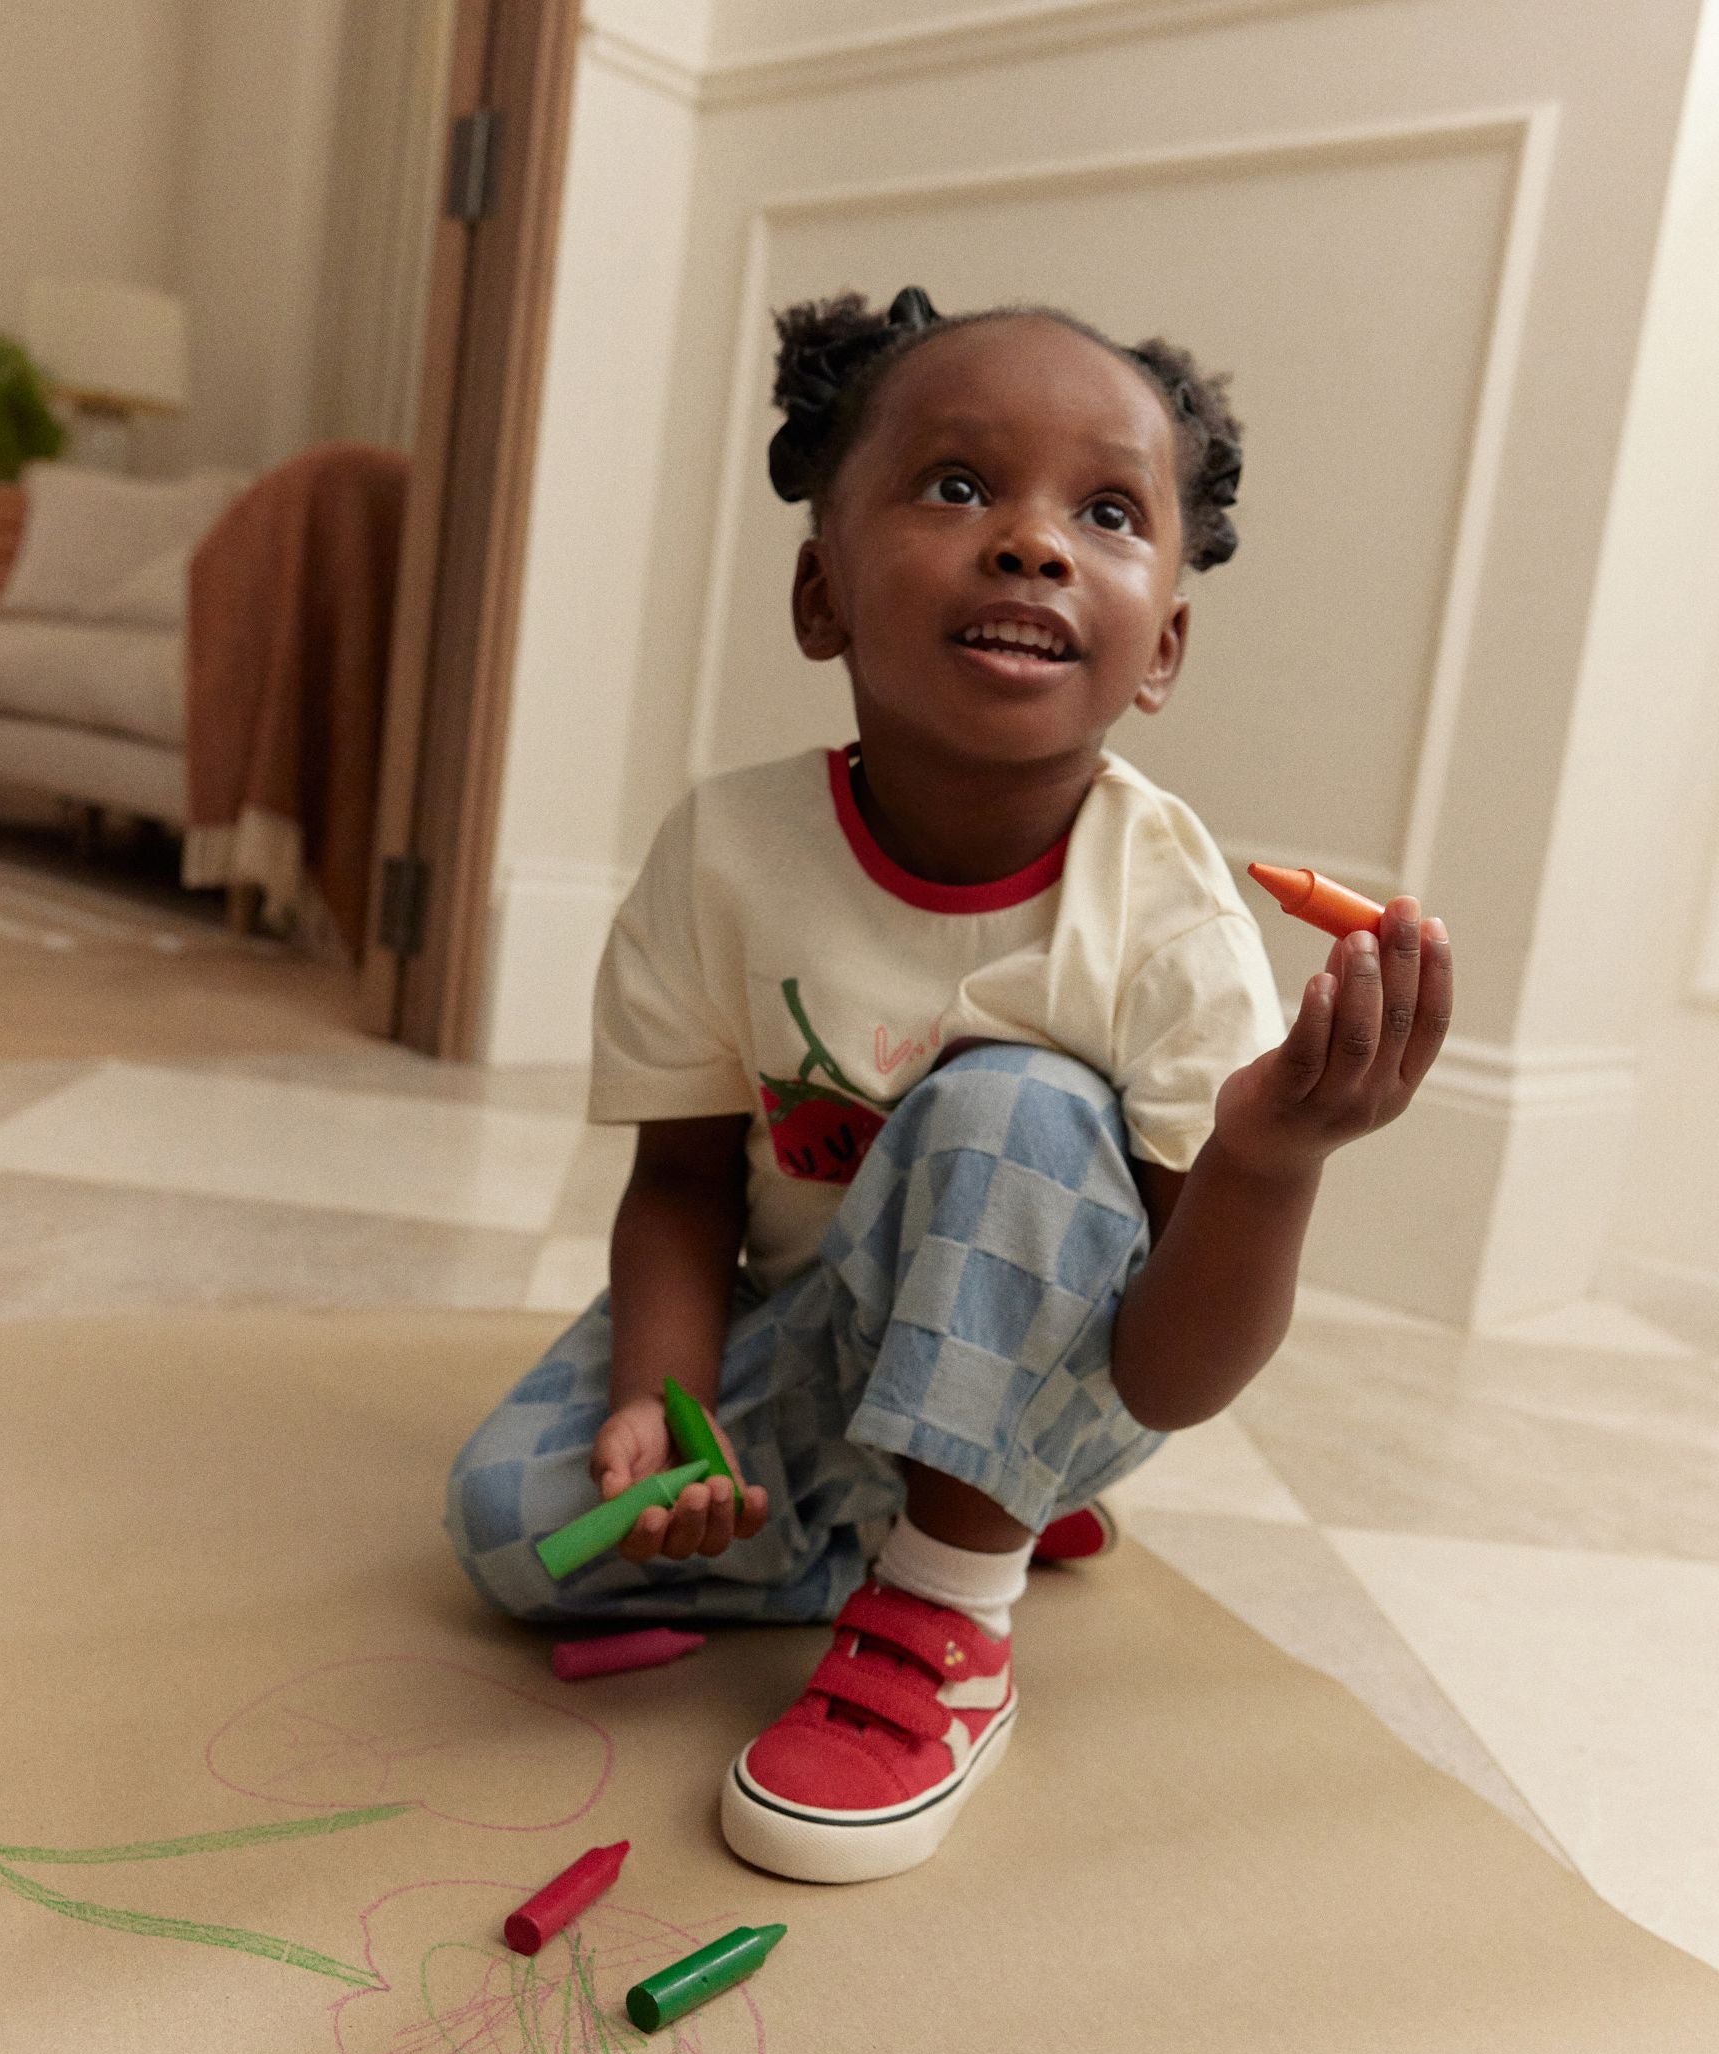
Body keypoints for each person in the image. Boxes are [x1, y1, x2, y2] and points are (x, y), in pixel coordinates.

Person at [447, 286, 1452, 1885]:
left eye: (1107, 514)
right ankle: (933, 1498)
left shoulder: (1171, 914)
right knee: (512, 1528)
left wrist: (1271, 1163)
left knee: (1015, 1106)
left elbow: (1176, 1381)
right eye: (960, 485)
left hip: (1089, 1361)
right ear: (819, 591)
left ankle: (946, 1608)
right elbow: (690, 1184)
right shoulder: (724, 851)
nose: (1034, 543)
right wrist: (669, 1405)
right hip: (821, 1335)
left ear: (1163, 648)